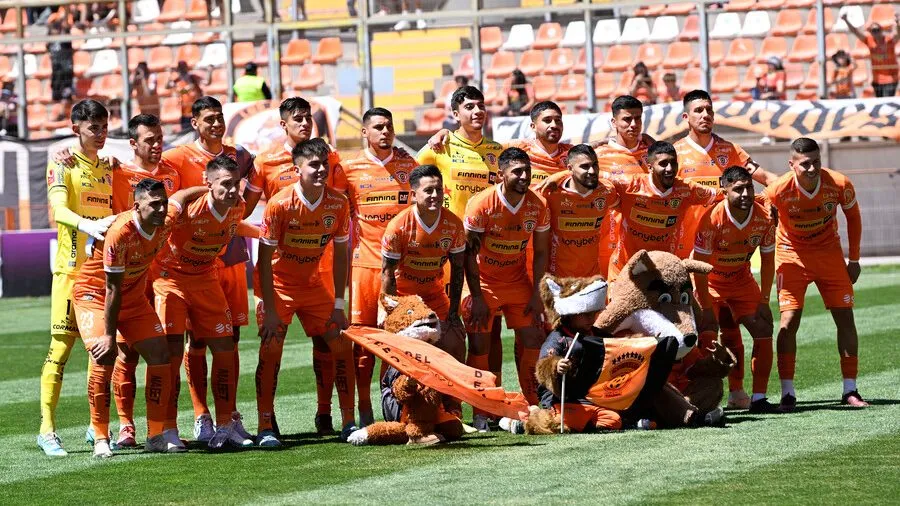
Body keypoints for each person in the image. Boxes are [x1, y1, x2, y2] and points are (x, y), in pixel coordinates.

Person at [72, 180, 203, 457]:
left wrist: (208, 189)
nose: (160, 208)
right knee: (103, 356)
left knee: (160, 354)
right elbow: (111, 288)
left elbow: (181, 196)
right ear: (137, 206)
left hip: (130, 297)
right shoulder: (121, 233)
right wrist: (109, 336)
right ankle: (100, 436)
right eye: (153, 204)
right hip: (94, 296)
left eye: (162, 203)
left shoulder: (165, 220)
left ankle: (156, 434)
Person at [243, 97, 346, 435]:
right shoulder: (265, 162)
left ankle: (327, 415)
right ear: (283, 123)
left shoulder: (331, 160)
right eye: (297, 118)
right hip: (279, 271)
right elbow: (243, 211)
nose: (305, 123)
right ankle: (266, 423)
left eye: (308, 118)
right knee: (272, 344)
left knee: (331, 342)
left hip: (321, 266)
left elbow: (341, 204)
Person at [161, 96, 255, 442]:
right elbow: (145, 168)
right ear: (194, 123)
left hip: (227, 256)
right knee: (193, 342)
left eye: (220, 118)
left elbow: (247, 199)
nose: (216, 124)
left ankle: (229, 417)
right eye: (209, 119)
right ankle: (200, 416)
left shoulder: (239, 156)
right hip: (186, 260)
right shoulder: (176, 156)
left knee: (230, 339)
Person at [255, 139, 356, 446]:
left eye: (324, 163)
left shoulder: (338, 203)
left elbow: (341, 255)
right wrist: (269, 310)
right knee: (271, 350)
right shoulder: (280, 204)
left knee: (341, 344)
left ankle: (348, 422)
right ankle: (265, 426)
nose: (321, 169)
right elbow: (262, 260)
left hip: (314, 287)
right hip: (280, 288)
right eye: (313, 164)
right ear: (296, 168)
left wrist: (339, 303)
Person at [763, 137, 866, 411]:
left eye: (816, 162)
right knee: (789, 320)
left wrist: (853, 259)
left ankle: (850, 389)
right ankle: (788, 393)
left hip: (829, 254)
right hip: (791, 254)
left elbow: (853, 217)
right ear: (792, 164)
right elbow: (760, 219)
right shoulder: (777, 190)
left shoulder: (839, 183)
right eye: (805, 164)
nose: (812, 169)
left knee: (845, 317)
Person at [38, 99, 116, 457]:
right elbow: (57, 208)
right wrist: (87, 224)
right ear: (76, 130)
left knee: (98, 352)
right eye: (93, 128)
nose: (100, 134)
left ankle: (94, 426)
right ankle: (47, 430)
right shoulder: (62, 163)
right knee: (60, 349)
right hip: (70, 272)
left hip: (101, 275)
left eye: (103, 127)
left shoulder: (108, 167)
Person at [333, 107, 415, 427]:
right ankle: (363, 407)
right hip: (365, 267)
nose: (385, 132)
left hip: (402, 271)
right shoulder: (348, 169)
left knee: (397, 341)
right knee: (363, 344)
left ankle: (391, 401)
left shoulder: (410, 165)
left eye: (389, 126)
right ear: (364, 132)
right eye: (378, 127)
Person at [462, 147, 550, 431]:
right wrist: (475, 296)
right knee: (479, 344)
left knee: (534, 338)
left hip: (517, 282)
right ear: (501, 175)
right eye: (517, 172)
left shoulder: (538, 205)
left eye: (528, 171)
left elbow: (540, 252)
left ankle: (532, 402)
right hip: (484, 283)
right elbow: (467, 255)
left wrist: (538, 293)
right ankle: (482, 410)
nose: (525, 177)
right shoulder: (481, 204)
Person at [107, 114, 180, 448]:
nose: (157, 145)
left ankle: (164, 427)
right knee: (126, 353)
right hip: (128, 275)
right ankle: (125, 426)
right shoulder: (117, 173)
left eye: (160, 138)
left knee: (165, 351)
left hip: (162, 275)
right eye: (149, 140)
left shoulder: (172, 173)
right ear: (133, 143)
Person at [693, 166, 778, 413]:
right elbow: (698, 268)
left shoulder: (764, 218)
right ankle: (705, 400)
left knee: (763, 326)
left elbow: (769, 261)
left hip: (741, 280)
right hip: (710, 282)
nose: (745, 194)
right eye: (738, 189)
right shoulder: (711, 219)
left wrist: (764, 300)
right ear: (724, 191)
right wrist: (706, 307)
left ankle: (759, 398)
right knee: (708, 335)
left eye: (749, 188)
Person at [674, 89, 775, 262]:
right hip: (686, 248)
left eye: (709, 110)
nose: (705, 115)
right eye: (698, 110)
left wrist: (791, 189)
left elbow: (766, 178)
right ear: (686, 117)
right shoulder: (675, 153)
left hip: (724, 249)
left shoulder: (731, 151)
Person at [381, 164, 467, 361]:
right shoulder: (398, 226)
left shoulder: (453, 224)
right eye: (428, 190)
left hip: (433, 294)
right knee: (398, 354)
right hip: (404, 297)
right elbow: (387, 274)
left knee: (455, 342)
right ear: (413, 194)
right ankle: (392, 391)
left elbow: (458, 269)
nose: (435, 195)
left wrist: (454, 312)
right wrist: (392, 312)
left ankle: (451, 393)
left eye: (438, 189)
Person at [606, 141, 718, 282]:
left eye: (673, 163)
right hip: (624, 271)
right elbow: (596, 182)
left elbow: (721, 194)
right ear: (649, 166)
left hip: (661, 272)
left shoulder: (686, 190)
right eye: (663, 163)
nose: (670, 168)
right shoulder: (629, 185)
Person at [417, 85, 503, 223]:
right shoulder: (440, 145)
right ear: (456, 114)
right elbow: (410, 178)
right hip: (449, 233)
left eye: (481, 106)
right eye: (469, 107)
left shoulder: (498, 150)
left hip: (485, 234)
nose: (478, 111)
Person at [538, 144, 619, 279]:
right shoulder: (551, 193)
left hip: (591, 278)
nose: (592, 171)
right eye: (585, 166)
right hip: (558, 279)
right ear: (570, 168)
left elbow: (626, 204)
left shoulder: (607, 191)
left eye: (595, 165)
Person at [845, 13, 899, 97]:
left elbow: (897, 34)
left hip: (891, 79)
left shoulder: (889, 40)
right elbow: (855, 32)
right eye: (873, 30)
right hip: (877, 79)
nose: (876, 32)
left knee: (887, 103)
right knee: (880, 103)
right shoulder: (869, 41)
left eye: (877, 30)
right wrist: (846, 20)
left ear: (881, 30)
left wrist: (898, 23)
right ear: (870, 32)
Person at [166, 61, 205, 131]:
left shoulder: (193, 78)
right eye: (180, 68)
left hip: (196, 111)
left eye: (183, 68)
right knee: (186, 132)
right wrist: (170, 74)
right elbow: (167, 86)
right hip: (184, 112)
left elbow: (205, 82)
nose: (182, 70)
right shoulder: (177, 80)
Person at [48, 18, 74, 102]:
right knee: (56, 95)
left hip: (65, 70)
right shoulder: (50, 42)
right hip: (56, 70)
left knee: (66, 95)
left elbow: (67, 31)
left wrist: (65, 27)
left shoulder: (65, 40)